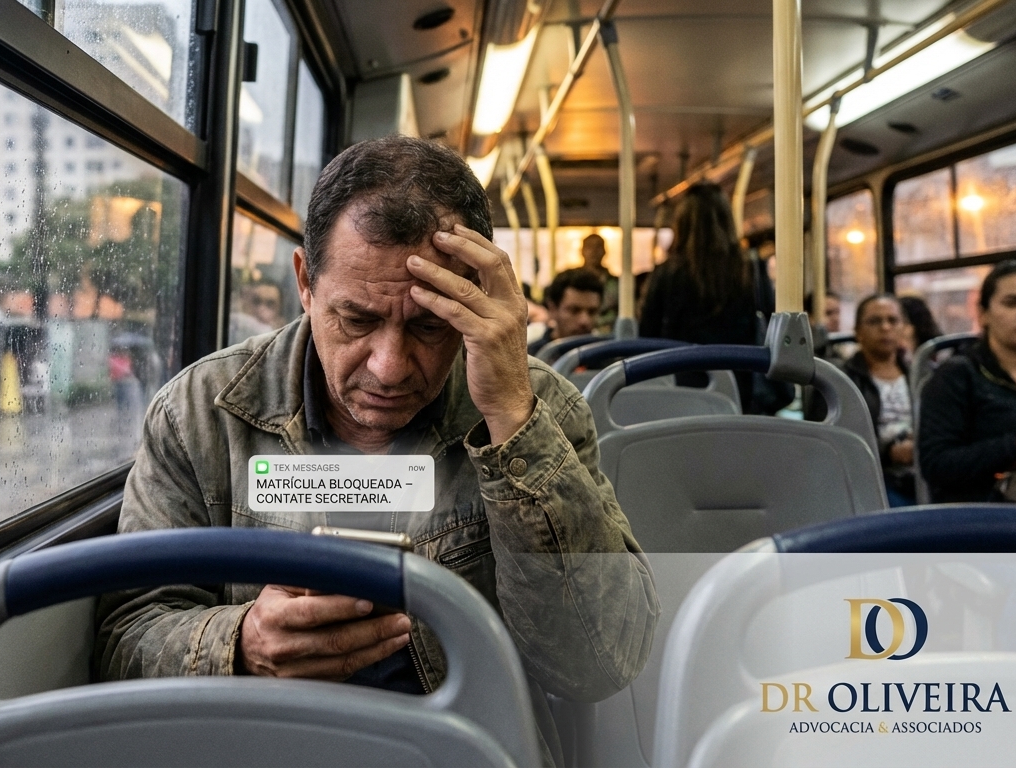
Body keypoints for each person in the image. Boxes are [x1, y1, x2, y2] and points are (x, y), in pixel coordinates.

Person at [95, 135, 658, 766]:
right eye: (357, 320)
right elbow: (128, 636)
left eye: (428, 326)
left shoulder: (537, 410)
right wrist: (241, 644)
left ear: (475, 297)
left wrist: (511, 421)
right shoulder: (199, 415)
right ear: (306, 283)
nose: (389, 369)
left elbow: (601, 661)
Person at [919, 262, 1016, 503]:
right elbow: (937, 465)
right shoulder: (957, 376)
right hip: (988, 513)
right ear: (983, 314)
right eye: (1012, 303)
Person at [639, 183, 770, 407]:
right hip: (740, 392)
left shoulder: (666, 274)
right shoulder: (751, 271)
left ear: (682, 224)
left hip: (678, 390)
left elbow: (647, 337)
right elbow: (768, 324)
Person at [814, 295, 916, 507]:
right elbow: (830, 441)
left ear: (904, 328)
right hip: (871, 473)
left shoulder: (922, 376)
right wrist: (888, 452)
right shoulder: (840, 380)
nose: (885, 327)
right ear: (857, 332)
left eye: (893, 320)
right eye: (874, 321)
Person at [527, 269, 604, 355]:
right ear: (552, 309)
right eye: (574, 310)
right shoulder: (533, 357)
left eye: (592, 312)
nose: (584, 321)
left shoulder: (607, 356)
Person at [579, 233, 618, 332]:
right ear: (582, 251)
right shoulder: (573, 283)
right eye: (589, 247)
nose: (593, 252)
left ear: (604, 251)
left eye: (598, 247)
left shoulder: (616, 283)